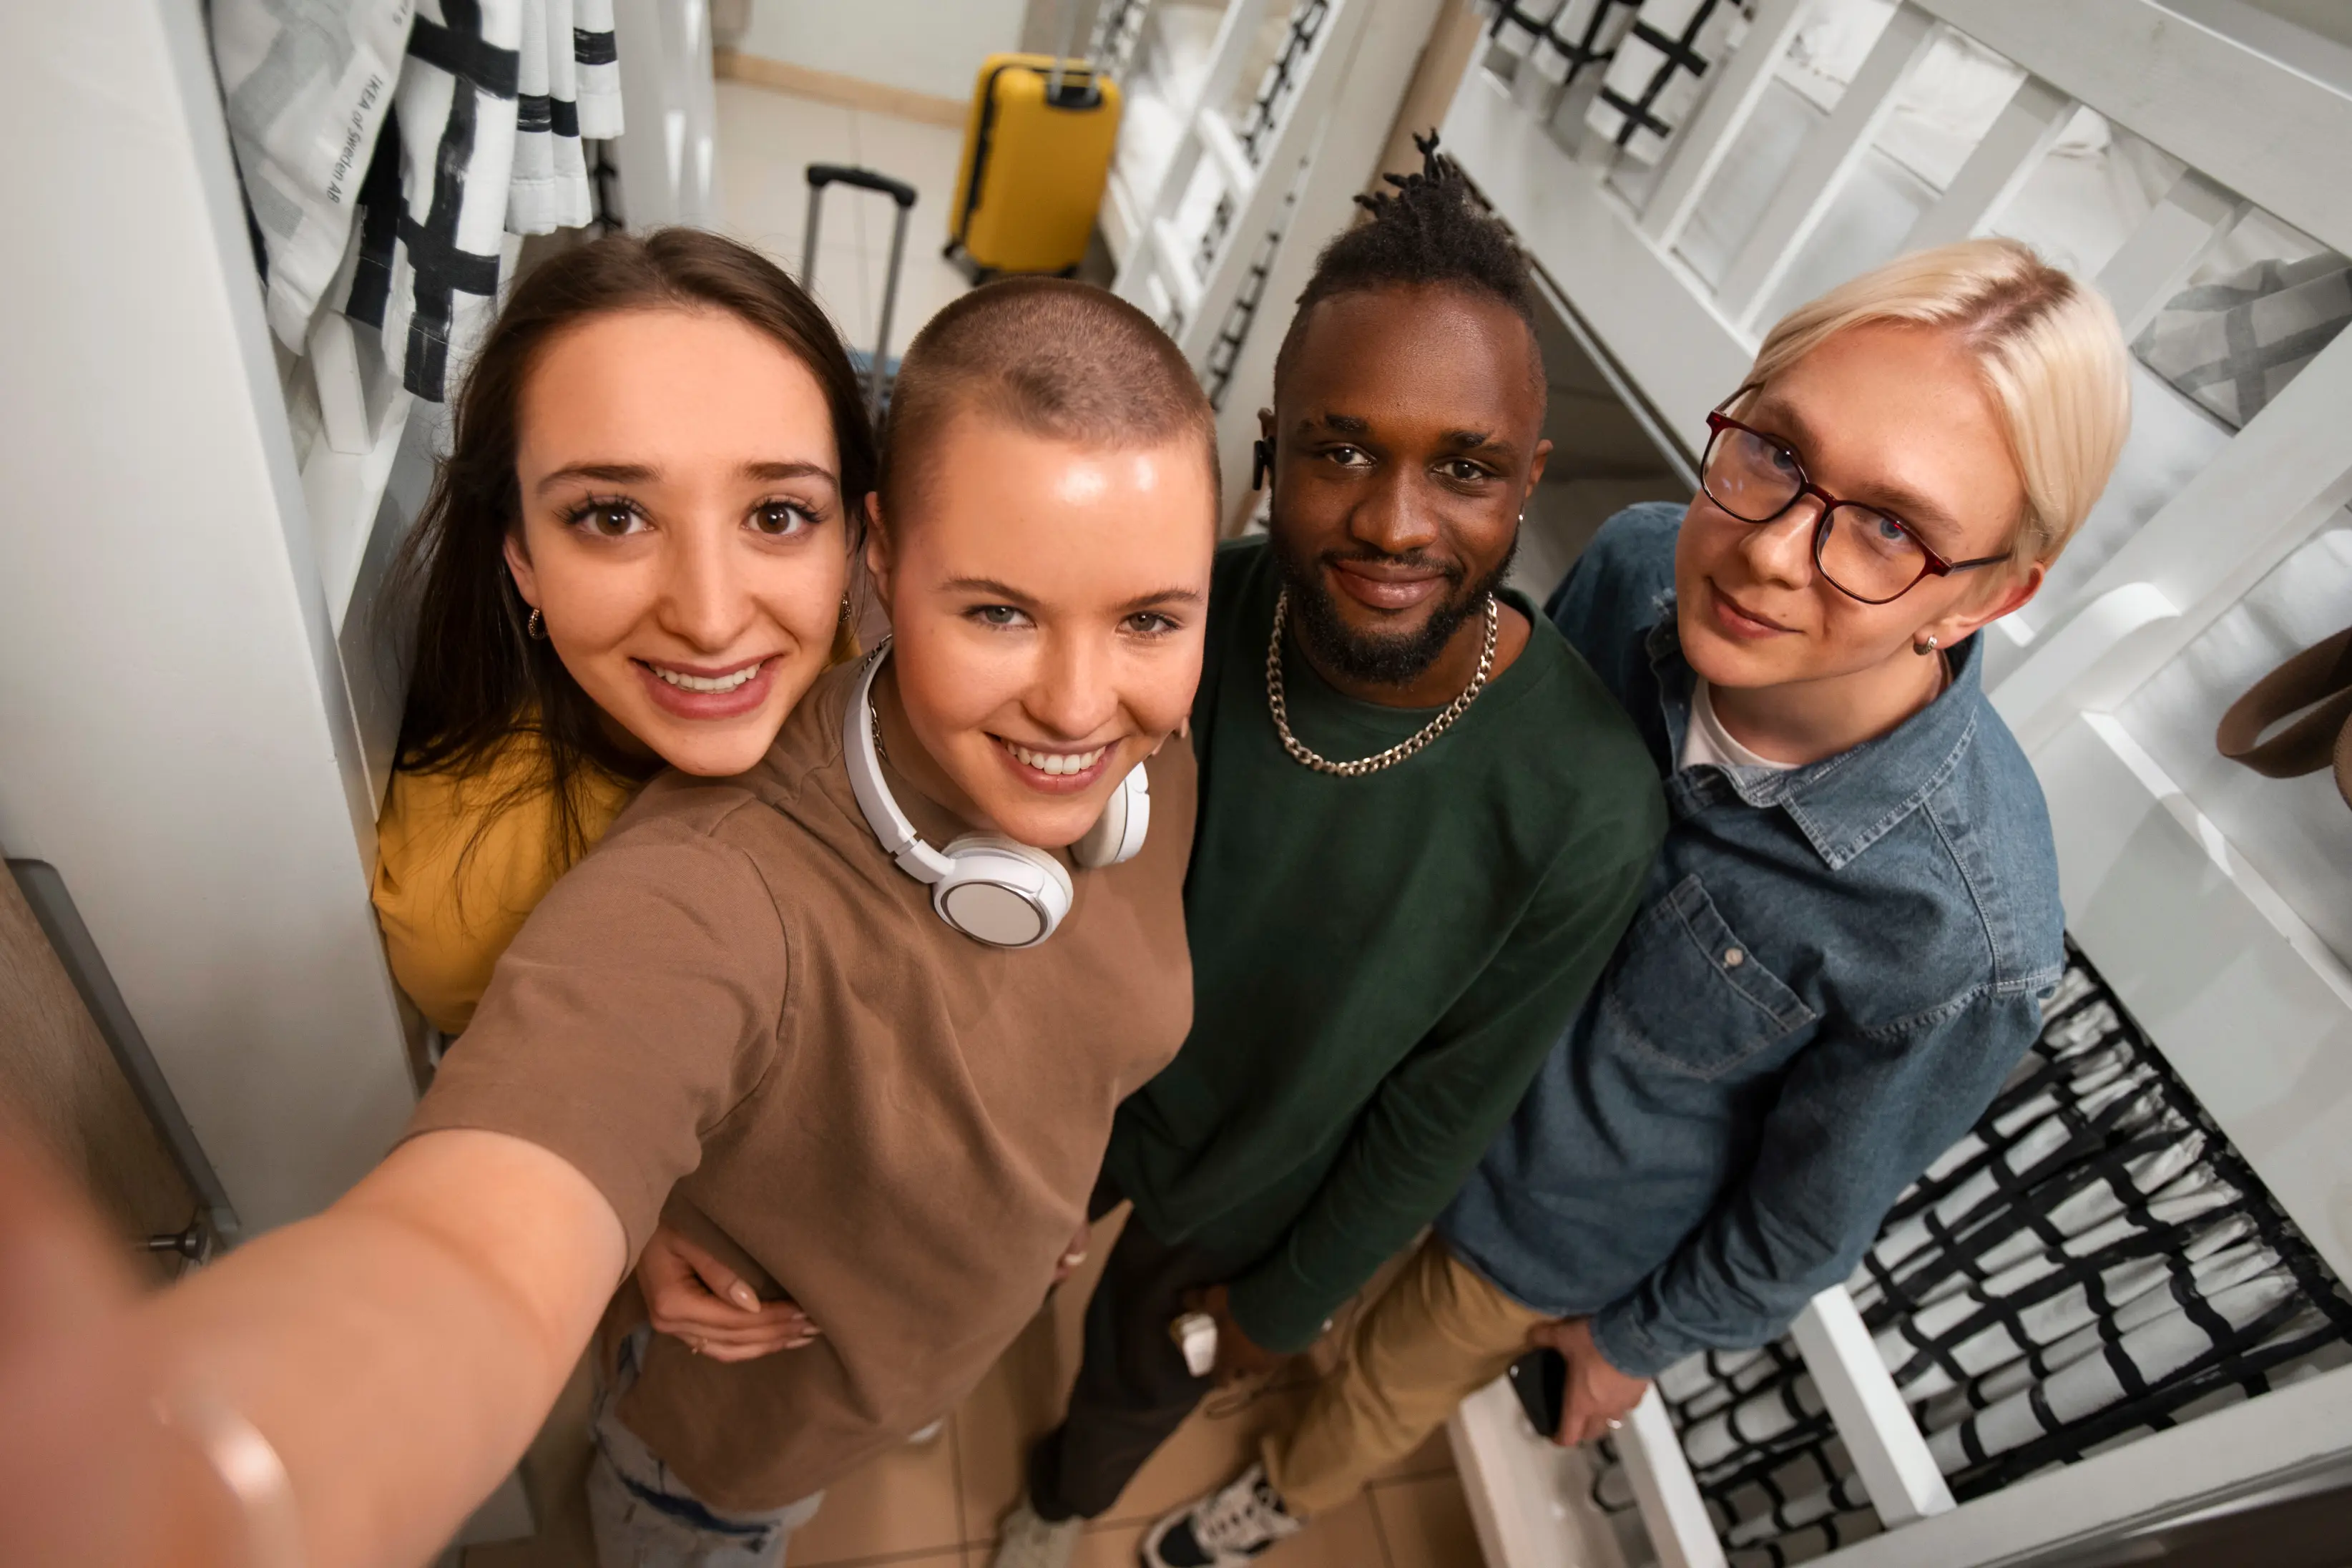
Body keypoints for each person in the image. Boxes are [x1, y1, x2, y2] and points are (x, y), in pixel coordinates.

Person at [120, 276, 1220, 1568]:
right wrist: (218, 1480)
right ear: (888, 563)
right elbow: (483, 1226)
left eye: (1151, 616)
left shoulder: (1145, 749)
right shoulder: (696, 892)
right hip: (735, 1453)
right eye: (997, 612)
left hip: (931, 1342)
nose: (1082, 707)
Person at [1142, 237, 2133, 1564]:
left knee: (1384, 1386)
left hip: (1534, 1227)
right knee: (1303, 1285)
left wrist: (1637, 1339)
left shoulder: (1959, 936)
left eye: (1891, 528)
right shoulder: (1632, 568)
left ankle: (1272, 1496)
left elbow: (1810, 1209)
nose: (1773, 551)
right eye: (1776, 452)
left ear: (1996, 594)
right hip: (1385, 1093)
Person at [989, 138, 1668, 1568]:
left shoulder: (1588, 806)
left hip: (1252, 1185)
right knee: (975, 1264)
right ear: (1269, 453)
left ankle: (1056, 1508)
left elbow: (1442, 1107)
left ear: (1528, 480)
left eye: (1466, 469)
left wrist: (1283, 1306)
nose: (1395, 521)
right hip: (1070, 1080)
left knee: (1137, 1373)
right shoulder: (1192, 614)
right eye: (1341, 448)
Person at [371, 225, 873, 1359]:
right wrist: (642, 1211)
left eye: (778, 514)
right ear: (520, 559)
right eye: (612, 515)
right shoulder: (469, 899)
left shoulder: (912, 688)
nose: (707, 613)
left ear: (858, 538)